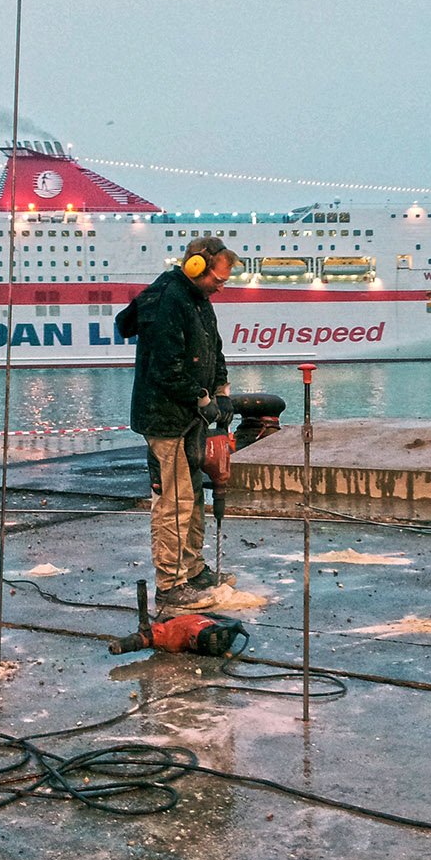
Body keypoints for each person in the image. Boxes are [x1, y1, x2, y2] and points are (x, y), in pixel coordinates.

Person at [116, 236, 240, 610]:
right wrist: (201, 399)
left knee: (194, 499)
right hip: (166, 418)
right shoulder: (168, 298)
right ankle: (169, 584)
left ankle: (194, 568)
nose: (222, 286)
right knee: (173, 502)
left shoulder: (199, 300)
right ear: (196, 267)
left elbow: (213, 349)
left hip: (191, 418)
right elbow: (165, 368)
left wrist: (221, 390)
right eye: (218, 279)